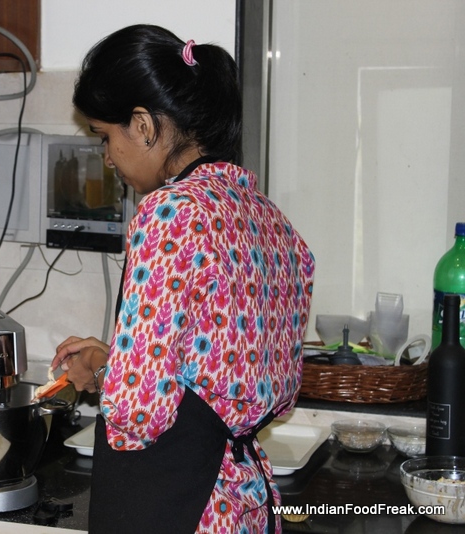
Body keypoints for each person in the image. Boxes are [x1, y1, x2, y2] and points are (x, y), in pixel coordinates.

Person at [50, 25, 315, 533]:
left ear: (143, 124)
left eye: (105, 137)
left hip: (184, 506)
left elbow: (137, 413)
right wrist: (119, 361)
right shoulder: (270, 221)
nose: (107, 156)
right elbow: (251, 386)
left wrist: (104, 375)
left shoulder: (169, 212)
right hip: (244, 502)